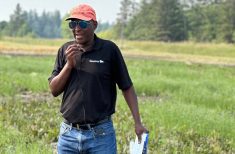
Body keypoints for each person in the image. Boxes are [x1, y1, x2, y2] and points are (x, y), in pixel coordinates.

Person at [48, 3, 147, 154]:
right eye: (73, 24)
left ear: (94, 25)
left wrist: (138, 123)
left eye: (82, 23)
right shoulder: (65, 50)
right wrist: (69, 65)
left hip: (100, 136)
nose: (77, 28)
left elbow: (126, 86)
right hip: (68, 135)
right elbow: (54, 90)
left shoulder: (109, 50)